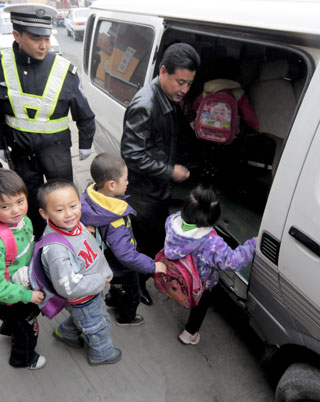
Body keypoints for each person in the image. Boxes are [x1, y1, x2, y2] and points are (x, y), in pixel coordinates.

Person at [0, 3, 96, 236]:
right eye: (36, 38)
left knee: (62, 201)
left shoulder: (63, 70)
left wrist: (86, 142)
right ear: (17, 35)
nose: (44, 45)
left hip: (57, 151)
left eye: (47, 38)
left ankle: (69, 240)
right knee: (29, 203)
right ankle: (35, 243)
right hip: (20, 153)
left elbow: (83, 111)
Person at [120, 43, 200, 305]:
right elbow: (131, 154)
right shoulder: (145, 104)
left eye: (189, 84)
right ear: (163, 71)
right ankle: (130, 290)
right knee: (145, 243)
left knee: (151, 241)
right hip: (145, 193)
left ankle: (136, 282)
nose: (185, 90)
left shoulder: (168, 98)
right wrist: (169, 170)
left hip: (157, 189)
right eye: (180, 82)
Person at [37, 179, 121, 365]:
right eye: (59, 210)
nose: (69, 214)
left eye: (73, 206)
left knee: (86, 318)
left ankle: (65, 333)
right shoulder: (56, 249)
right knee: (97, 325)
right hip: (82, 297)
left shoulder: (73, 225)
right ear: (44, 213)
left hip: (91, 288)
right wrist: (100, 281)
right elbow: (68, 286)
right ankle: (102, 354)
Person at [80, 153, 167, 326]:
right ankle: (126, 317)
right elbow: (126, 255)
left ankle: (112, 299)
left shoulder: (91, 194)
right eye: (125, 179)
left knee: (118, 288)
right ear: (111, 185)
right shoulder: (115, 221)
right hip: (122, 269)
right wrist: (153, 266)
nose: (128, 182)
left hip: (107, 263)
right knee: (131, 295)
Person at [163, 184, 256, 345]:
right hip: (199, 284)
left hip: (175, 273)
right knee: (201, 304)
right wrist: (252, 244)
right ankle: (189, 333)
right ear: (213, 217)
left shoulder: (171, 221)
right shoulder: (211, 243)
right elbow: (233, 261)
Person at [0, 168, 46, 370]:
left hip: (19, 287)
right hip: (11, 298)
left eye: (20, 201)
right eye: (5, 206)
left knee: (17, 321)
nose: (16, 210)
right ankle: (23, 359)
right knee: (28, 328)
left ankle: (9, 326)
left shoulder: (24, 221)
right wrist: (26, 295)